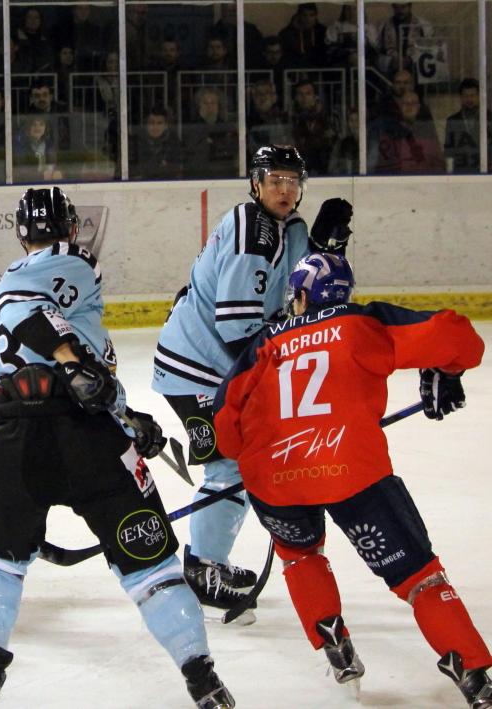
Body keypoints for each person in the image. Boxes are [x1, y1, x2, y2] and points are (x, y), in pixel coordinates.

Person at [0, 186, 235, 709]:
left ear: (20, 234)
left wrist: (128, 418)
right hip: (84, 438)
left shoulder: (2, 289)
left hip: (11, 441)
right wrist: (72, 363)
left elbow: (72, 365)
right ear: (71, 227)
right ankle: (203, 679)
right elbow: (31, 315)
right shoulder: (71, 261)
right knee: (152, 570)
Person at [214, 252, 492, 708]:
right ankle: (475, 676)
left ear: (301, 297)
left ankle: (334, 646)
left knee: (300, 555)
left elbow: (225, 426)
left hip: (276, 481)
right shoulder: (363, 323)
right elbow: (460, 337)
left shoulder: (265, 342)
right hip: (352, 474)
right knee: (418, 578)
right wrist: (446, 369)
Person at [150, 145, 354, 616]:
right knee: (228, 467)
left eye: (292, 181)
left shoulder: (289, 227)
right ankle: (202, 570)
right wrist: (270, 380)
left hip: (220, 366)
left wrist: (327, 251)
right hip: (197, 368)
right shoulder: (253, 232)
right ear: (256, 184)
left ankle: (210, 561)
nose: (284, 189)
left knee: (239, 466)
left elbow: (309, 298)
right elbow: (236, 328)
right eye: (275, 180)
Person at [443, 78, 490, 174]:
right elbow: (449, 151)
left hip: (487, 173)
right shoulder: (452, 121)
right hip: (461, 173)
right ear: (461, 97)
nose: (469, 99)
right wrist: (449, 174)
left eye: (472, 95)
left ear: (479, 96)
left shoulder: (489, 118)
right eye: (466, 96)